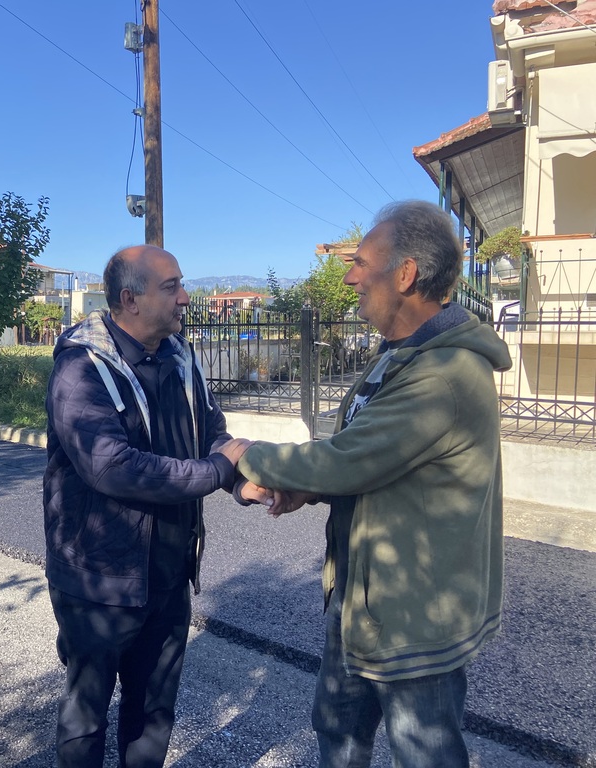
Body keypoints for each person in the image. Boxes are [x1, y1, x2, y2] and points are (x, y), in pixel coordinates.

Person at [235, 200, 512, 768]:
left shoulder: (445, 374)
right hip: (361, 596)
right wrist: (310, 488)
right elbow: (369, 456)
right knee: (337, 732)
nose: (350, 277)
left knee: (425, 752)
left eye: (361, 263)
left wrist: (247, 456)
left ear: (405, 274)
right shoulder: (397, 355)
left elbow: (348, 459)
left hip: (415, 615)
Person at [43, 244, 250, 768]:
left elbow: (211, 431)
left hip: (168, 575)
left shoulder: (180, 359)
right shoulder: (81, 369)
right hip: (99, 582)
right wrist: (218, 471)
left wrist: (241, 478)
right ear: (130, 299)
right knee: (86, 718)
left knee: (154, 715)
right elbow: (112, 466)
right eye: (171, 287)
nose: (185, 298)